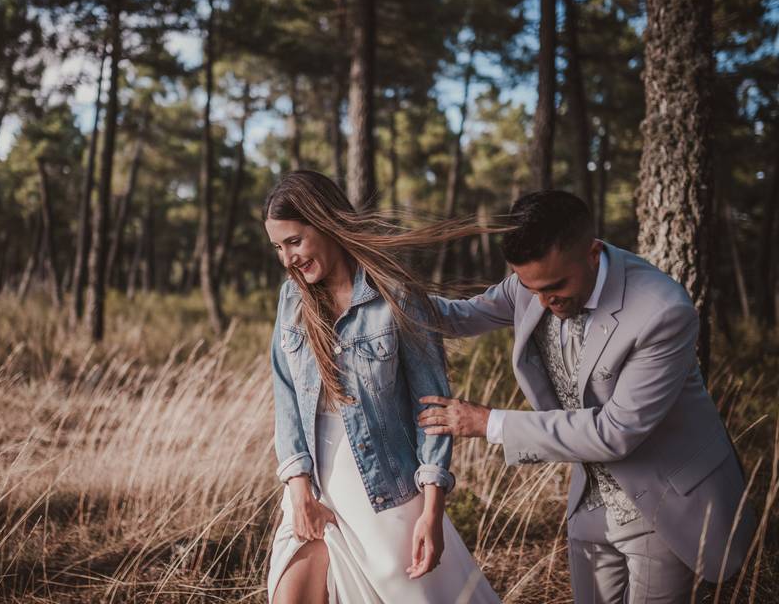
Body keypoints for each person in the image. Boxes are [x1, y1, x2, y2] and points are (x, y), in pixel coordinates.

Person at [418, 190, 756, 604]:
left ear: (593, 252)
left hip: (663, 503)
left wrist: (489, 422)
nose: (542, 300)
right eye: (530, 287)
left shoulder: (663, 311)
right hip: (587, 502)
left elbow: (616, 431)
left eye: (555, 286)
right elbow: (459, 316)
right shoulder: (532, 284)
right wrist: (382, 294)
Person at [263, 170, 499, 604]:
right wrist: (298, 489)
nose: (287, 259)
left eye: (294, 241)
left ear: (326, 222)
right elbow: (287, 400)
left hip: (385, 490)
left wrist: (432, 511)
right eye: (278, 247)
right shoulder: (291, 300)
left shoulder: (396, 294)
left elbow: (432, 410)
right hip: (312, 484)